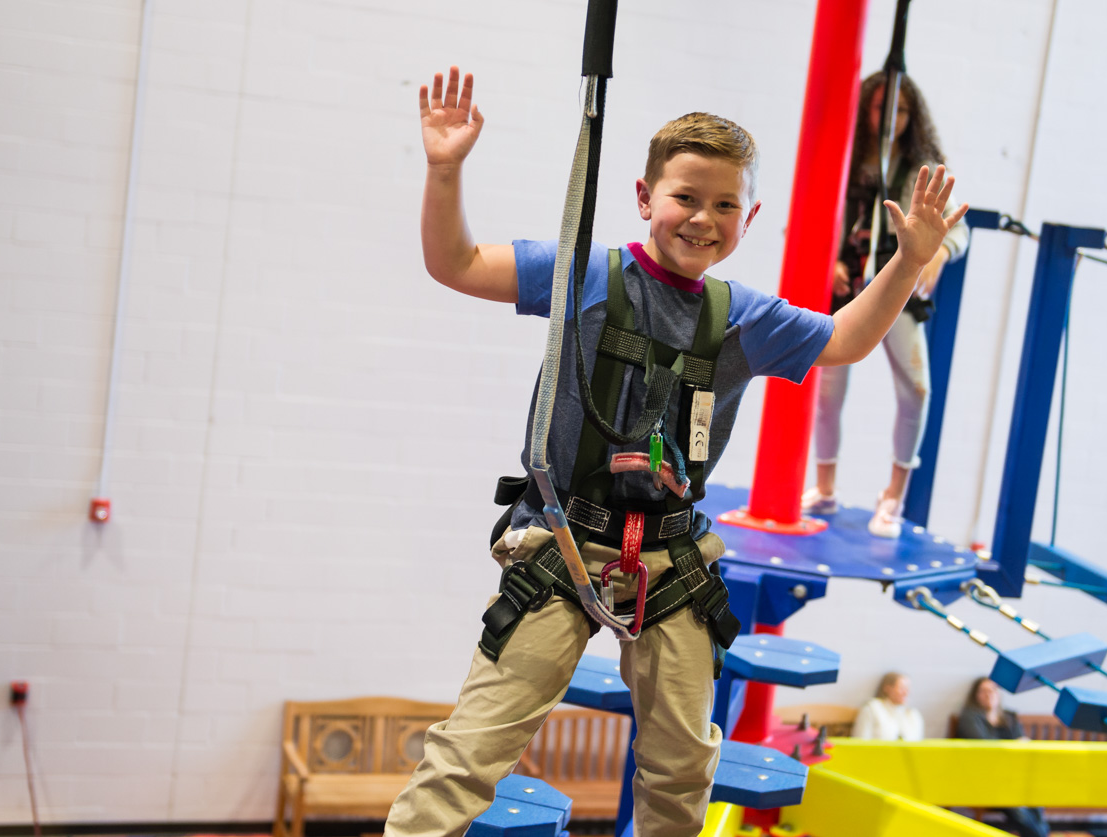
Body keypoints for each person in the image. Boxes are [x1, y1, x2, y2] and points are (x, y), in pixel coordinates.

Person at [386, 66, 967, 837]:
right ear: (643, 198)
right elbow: (454, 263)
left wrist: (906, 259)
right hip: (562, 543)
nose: (702, 219)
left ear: (749, 217)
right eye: (686, 197)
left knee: (682, 766)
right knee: (471, 749)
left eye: (725, 205)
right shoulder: (586, 275)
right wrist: (446, 169)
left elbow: (847, 338)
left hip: (670, 557)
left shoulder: (741, 318)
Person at [802, 71, 970, 537]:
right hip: (849, 288)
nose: (890, 120)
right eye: (881, 109)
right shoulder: (847, 157)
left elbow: (957, 227)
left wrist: (938, 251)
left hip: (897, 289)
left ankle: (893, 495)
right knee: (829, 389)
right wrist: (829, 261)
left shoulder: (921, 167)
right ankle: (825, 485)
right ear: (866, 111)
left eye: (900, 111)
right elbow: (820, 216)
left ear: (912, 117)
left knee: (916, 389)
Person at [955, 678, 1049, 837]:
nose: (988, 694)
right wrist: (1013, 747)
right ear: (975, 695)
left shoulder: (1008, 717)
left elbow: (1023, 745)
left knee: (1034, 800)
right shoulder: (970, 718)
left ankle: (1041, 834)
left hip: (1013, 776)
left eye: (992, 690)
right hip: (986, 779)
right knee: (1016, 807)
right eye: (983, 691)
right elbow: (985, 748)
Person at [853, 671, 925, 741]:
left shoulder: (913, 715)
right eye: (901, 688)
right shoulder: (872, 708)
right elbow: (860, 740)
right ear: (887, 688)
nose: (906, 693)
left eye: (907, 688)